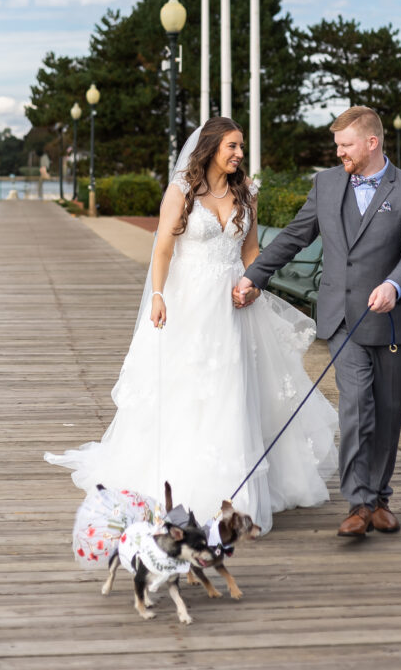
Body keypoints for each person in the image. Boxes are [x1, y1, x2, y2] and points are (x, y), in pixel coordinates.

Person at [45, 118, 337, 535]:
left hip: (235, 304)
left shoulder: (247, 193)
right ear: (212, 146)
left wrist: (253, 284)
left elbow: (251, 250)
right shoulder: (182, 190)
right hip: (189, 305)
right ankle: (183, 482)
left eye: (241, 147)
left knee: (234, 388)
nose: (239, 154)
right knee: (189, 388)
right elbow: (162, 248)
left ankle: (237, 492)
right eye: (232, 146)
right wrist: (159, 295)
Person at [235, 106, 401, 538]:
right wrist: (254, 276)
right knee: (356, 405)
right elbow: (294, 235)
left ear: (371, 143)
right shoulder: (326, 183)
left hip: (394, 321)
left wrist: (395, 285)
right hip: (343, 319)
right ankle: (359, 504)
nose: (338, 152)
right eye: (337, 145)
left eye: (345, 145)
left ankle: (380, 496)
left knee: (388, 413)